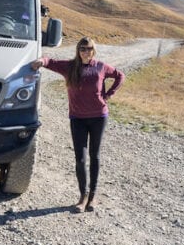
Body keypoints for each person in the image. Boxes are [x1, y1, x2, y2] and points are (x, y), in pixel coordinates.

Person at [30, 37, 124, 212]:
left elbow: (120, 76)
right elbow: (50, 61)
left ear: (93, 50)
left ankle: (93, 197)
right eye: (82, 49)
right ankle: (83, 196)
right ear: (78, 50)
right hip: (77, 119)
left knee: (95, 156)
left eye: (88, 48)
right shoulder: (70, 66)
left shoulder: (101, 66)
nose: (85, 52)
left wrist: (109, 94)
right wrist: (40, 61)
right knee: (80, 159)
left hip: (98, 117)